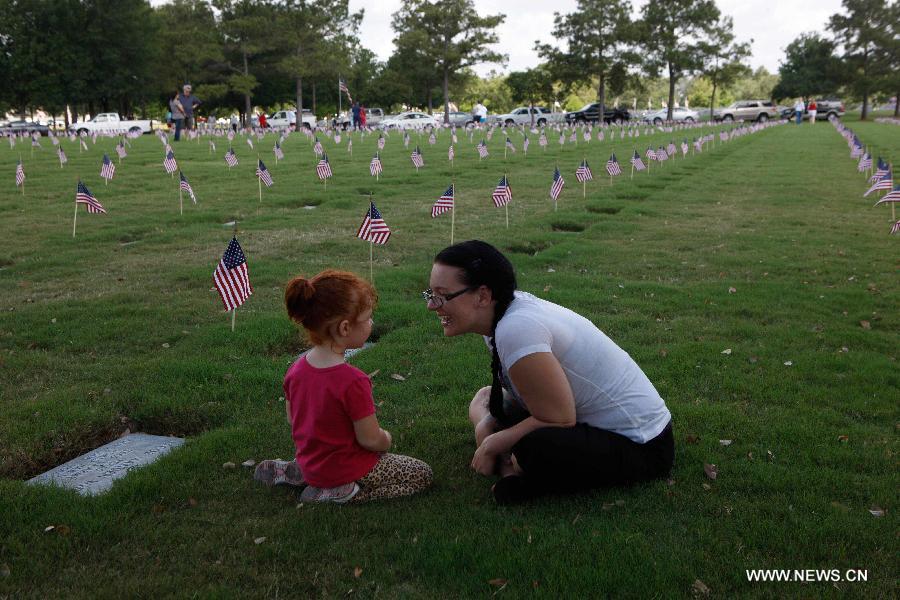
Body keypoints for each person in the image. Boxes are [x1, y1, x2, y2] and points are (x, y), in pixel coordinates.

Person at [425, 240, 674, 504]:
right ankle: (510, 460)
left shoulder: (516, 329)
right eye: (430, 294)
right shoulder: (504, 315)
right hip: (584, 420)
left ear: (483, 296)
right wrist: (487, 428)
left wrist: (494, 443)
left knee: (533, 447)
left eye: (443, 295)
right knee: (485, 399)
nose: (432, 305)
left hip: (643, 445)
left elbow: (560, 418)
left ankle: (514, 471)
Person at [255, 270, 433, 503]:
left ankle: (303, 472)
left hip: (313, 460)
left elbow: (293, 419)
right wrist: (386, 439)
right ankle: (345, 492)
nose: (372, 322)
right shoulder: (352, 381)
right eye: (368, 318)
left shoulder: (296, 370)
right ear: (345, 328)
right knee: (421, 474)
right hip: (348, 467)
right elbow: (370, 440)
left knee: (320, 462)